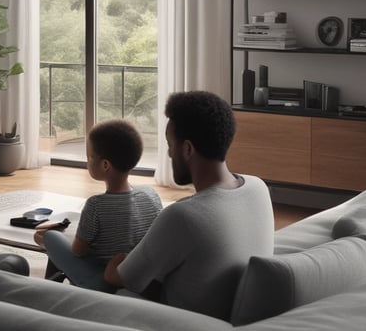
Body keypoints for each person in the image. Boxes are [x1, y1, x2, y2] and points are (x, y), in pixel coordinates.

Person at [104, 91, 273, 321]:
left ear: (187, 149)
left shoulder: (183, 216)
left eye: (169, 144)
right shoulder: (258, 188)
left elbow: (123, 278)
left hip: (178, 322)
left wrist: (113, 265)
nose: (169, 153)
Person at [34, 119, 163, 292]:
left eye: (89, 157)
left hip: (103, 279)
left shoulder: (95, 205)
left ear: (105, 165)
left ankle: (55, 289)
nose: (87, 162)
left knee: (50, 237)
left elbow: (78, 251)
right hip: (137, 274)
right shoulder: (151, 195)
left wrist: (58, 241)